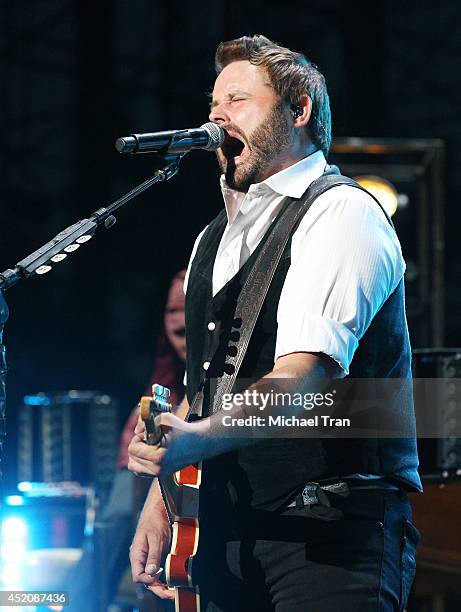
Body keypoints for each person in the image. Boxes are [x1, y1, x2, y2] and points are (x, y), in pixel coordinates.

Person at [128, 35, 422, 611]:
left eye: (237, 99)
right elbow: (208, 386)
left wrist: (198, 443)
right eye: (213, 105)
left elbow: (304, 379)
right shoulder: (212, 239)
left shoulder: (341, 213)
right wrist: (162, 501)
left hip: (329, 538)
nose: (217, 115)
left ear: (299, 110)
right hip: (230, 532)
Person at [66, 270, 186, 612]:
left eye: (186, 309)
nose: (178, 323)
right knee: (118, 512)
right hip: (145, 518)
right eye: (170, 312)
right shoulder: (157, 395)